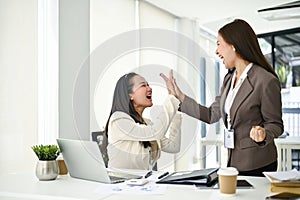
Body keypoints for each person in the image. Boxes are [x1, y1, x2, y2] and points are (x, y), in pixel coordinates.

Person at [160, 19, 284, 176]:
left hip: (258, 163)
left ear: (233, 46)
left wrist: (264, 133)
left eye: (219, 44)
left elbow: (275, 124)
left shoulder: (265, 80)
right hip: (233, 161)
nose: (216, 51)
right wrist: (180, 97)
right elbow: (211, 114)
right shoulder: (229, 79)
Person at [103, 72, 181, 170]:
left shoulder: (147, 123)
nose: (150, 88)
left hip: (142, 183)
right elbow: (155, 132)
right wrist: (171, 99)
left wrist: (175, 112)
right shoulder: (118, 120)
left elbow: (173, 146)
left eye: (148, 84)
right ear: (130, 95)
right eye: (143, 85)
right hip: (121, 183)